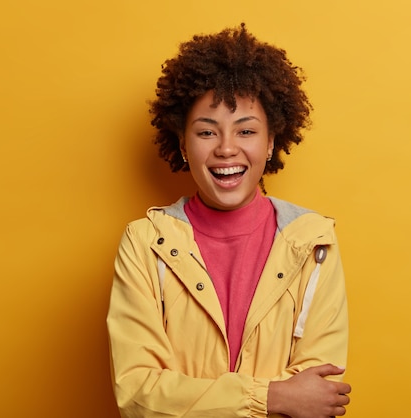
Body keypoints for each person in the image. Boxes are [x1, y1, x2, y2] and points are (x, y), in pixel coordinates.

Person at [106, 24, 351, 418]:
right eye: (207, 132)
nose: (226, 148)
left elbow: (316, 398)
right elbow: (138, 393)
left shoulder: (313, 242)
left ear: (271, 141)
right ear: (183, 144)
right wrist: (270, 399)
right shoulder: (144, 242)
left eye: (247, 131)